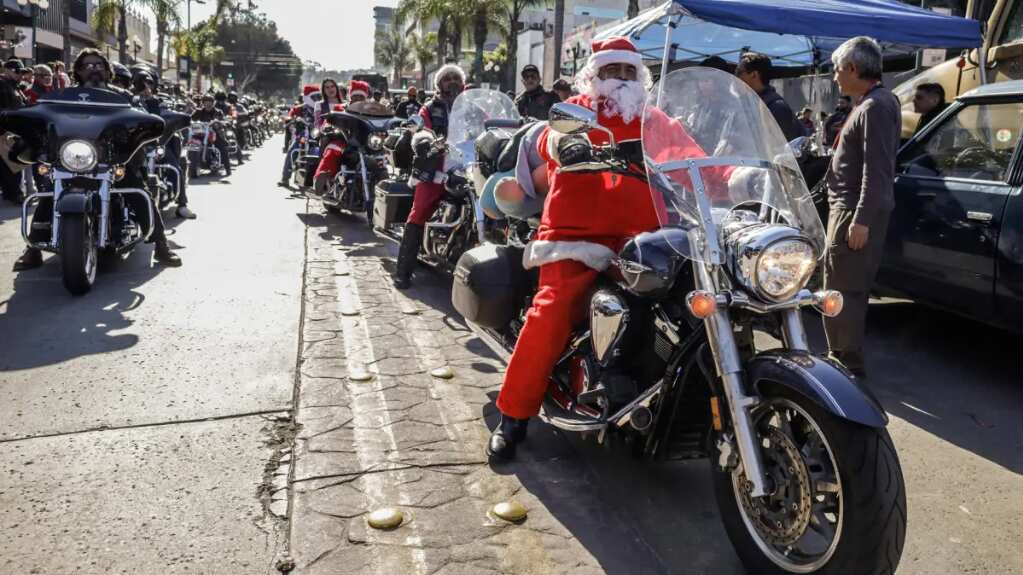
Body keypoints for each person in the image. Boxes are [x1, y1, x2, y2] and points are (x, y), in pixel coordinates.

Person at [486, 37, 714, 459]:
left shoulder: (653, 119)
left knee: (693, 302)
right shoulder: (580, 108)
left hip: (644, 237)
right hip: (577, 234)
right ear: (595, 75)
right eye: (612, 72)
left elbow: (695, 159)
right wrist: (562, 145)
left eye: (629, 72)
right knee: (552, 311)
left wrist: (738, 179)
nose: (621, 81)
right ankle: (513, 414)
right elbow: (544, 139)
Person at [14, 48, 181, 271]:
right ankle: (33, 249)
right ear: (79, 71)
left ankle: (160, 245)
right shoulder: (65, 96)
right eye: (88, 66)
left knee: (138, 190)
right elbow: (46, 113)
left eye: (98, 65)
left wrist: (147, 125)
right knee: (48, 190)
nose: (94, 69)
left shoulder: (123, 97)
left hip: (113, 159)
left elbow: (139, 117)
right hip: (73, 157)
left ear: (107, 69)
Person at [823, 36, 900, 379]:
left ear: (853, 68)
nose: (836, 76)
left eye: (838, 70)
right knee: (842, 286)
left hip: (852, 211)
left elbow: (877, 170)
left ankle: (844, 362)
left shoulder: (875, 106)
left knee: (844, 289)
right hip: (849, 208)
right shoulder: (874, 102)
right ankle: (842, 356)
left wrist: (861, 220)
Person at [392, 63, 466, 289]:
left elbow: (487, 125)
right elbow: (421, 129)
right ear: (439, 83)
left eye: (456, 78)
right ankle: (403, 271)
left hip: (466, 167)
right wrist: (424, 140)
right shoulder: (430, 108)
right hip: (435, 167)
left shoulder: (471, 106)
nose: (452, 82)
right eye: (447, 78)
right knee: (419, 212)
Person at [133, 69, 195, 220]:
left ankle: (182, 205)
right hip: (133, 146)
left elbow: (167, 114)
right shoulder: (129, 101)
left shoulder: (159, 102)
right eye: (141, 84)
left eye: (148, 83)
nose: (145, 87)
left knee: (175, 167)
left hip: (155, 145)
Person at [735, 52, 804, 142]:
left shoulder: (776, 107)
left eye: (739, 72)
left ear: (754, 75)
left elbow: (783, 149)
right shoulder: (749, 103)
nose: (736, 76)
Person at [0, 59, 27, 204]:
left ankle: (10, 193)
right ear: (7, 70)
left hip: (13, 130)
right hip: (5, 131)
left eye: (22, 72)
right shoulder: (2, 85)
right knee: (13, 164)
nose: (21, 75)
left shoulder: (14, 86)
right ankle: (14, 194)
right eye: (18, 71)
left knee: (11, 165)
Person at [191, 93, 233, 177]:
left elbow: (224, 120)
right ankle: (192, 167)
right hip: (200, 134)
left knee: (222, 147)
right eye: (206, 101)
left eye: (209, 101)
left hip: (214, 134)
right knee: (191, 145)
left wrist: (221, 122)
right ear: (203, 102)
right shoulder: (198, 111)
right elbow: (191, 119)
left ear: (213, 102)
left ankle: (228, 169)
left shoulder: (218, 112)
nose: (208, 103)